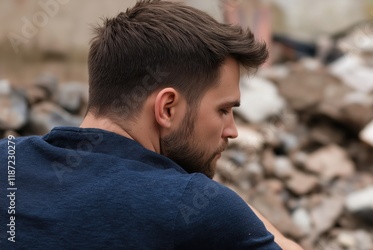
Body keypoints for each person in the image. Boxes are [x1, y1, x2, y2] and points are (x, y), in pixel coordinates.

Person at [0, 1, 302, 249]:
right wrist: (226, 202)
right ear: (167, 108)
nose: (232, 131)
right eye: (223, 110)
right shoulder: (196, 208)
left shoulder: (7, 161)